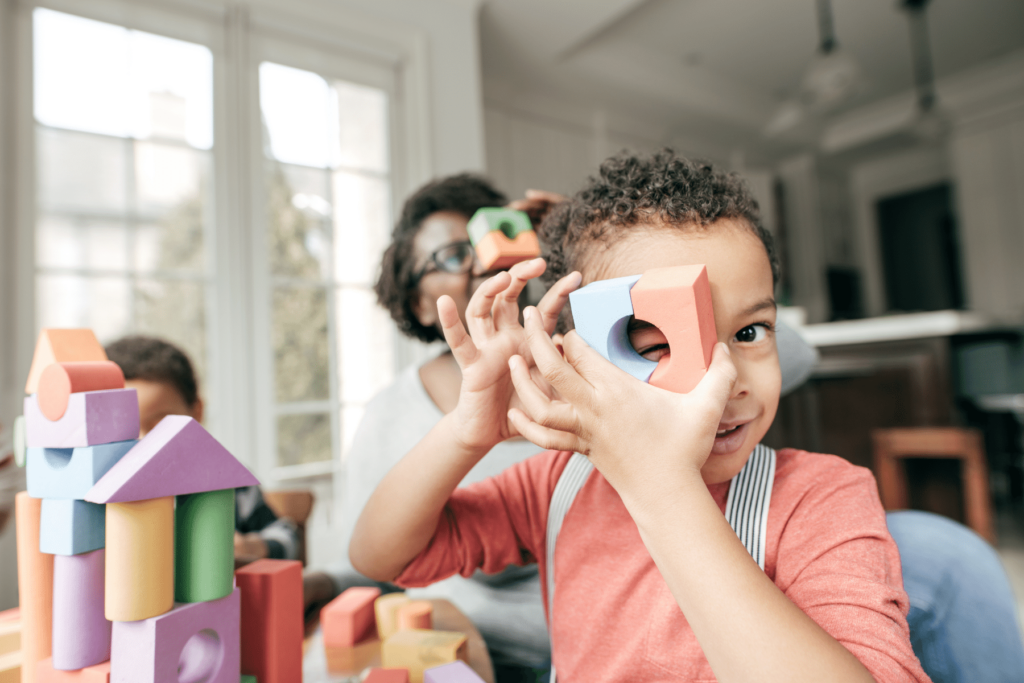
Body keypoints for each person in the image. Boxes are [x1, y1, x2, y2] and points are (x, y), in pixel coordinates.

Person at [350, 151, 931, 681]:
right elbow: (382, 556)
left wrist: (660, 484)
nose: (724, 377)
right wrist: (464, 433)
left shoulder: (824, 498)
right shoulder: (557, 485)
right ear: (573, 358)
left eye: (749, 332)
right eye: (655, 344)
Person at [305, 175, 564, 681]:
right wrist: (312, 584)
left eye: (485, 243)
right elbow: (368, 563)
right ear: (420, 302)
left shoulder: (579, 365)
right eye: (450, 256)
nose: (479, 264)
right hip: (461, 654)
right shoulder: (388, 413)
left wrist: (591, 240)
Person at [105, 335, 301, 562]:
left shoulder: (227, 481)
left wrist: (255, 547)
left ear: (196, 412)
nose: (141, 442)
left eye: (160, 425)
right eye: (122, 428)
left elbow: (286, 535)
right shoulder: (95, 489)